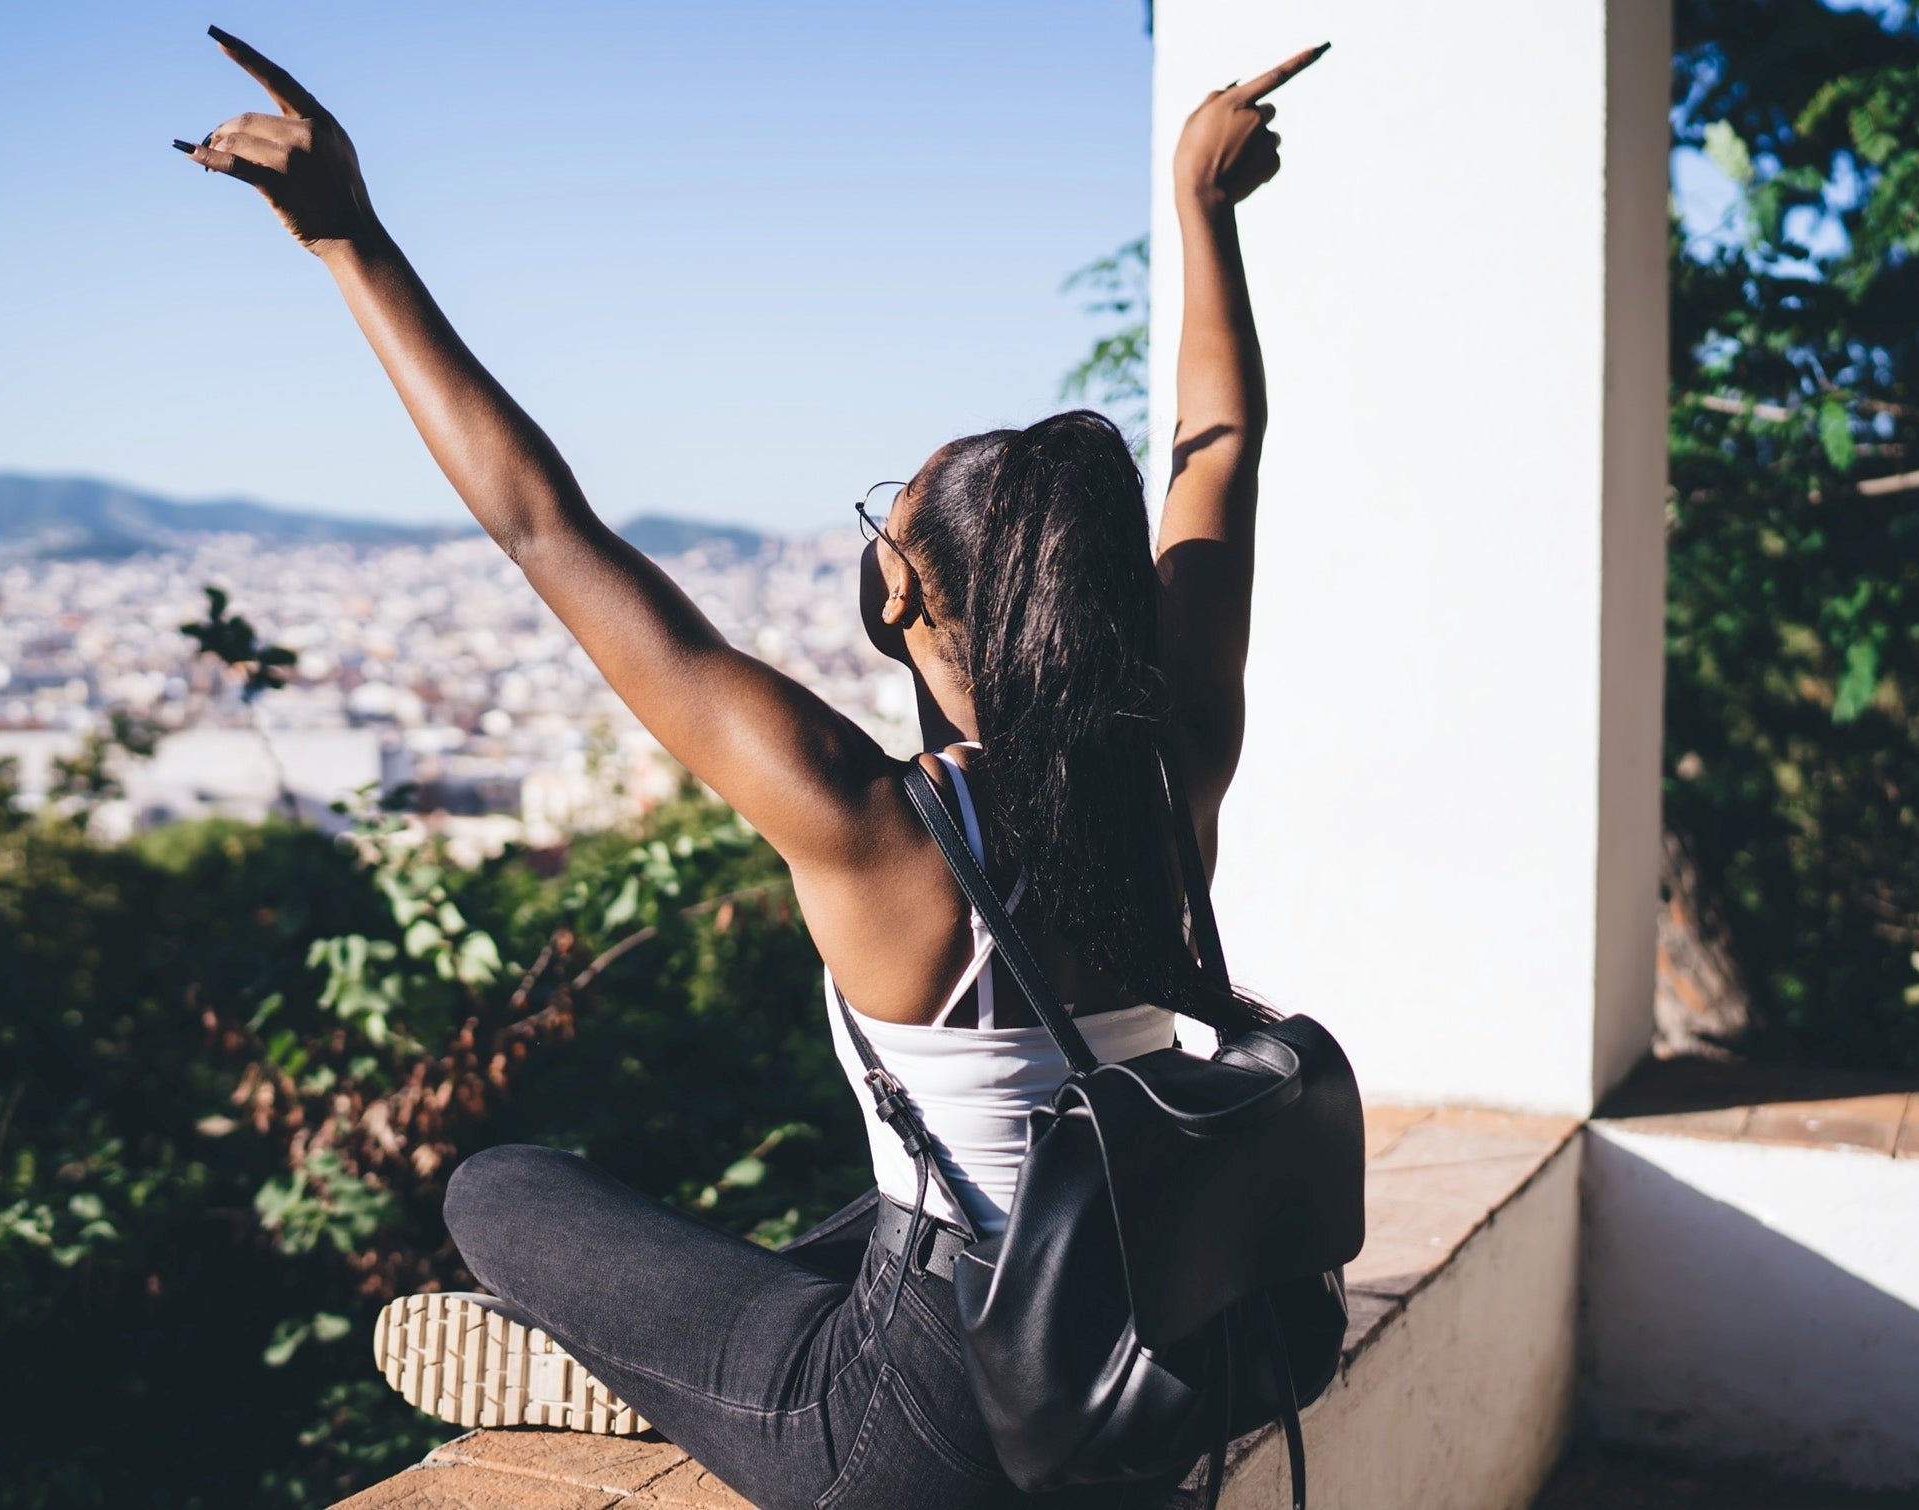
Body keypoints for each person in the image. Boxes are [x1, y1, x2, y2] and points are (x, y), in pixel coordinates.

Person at [179, 27, 1325, 1510]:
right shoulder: (1177, 759)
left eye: (884, 526)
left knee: (496, 1188)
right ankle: (689, 1343)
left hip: (916, 1441)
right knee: (886, 1206)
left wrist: (352, 243)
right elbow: (1215, 464)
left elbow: (546, 529)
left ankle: (646, 1370)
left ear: (904, 602)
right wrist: (1203, 210)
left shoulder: (877, 826)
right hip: (1128, 1361)